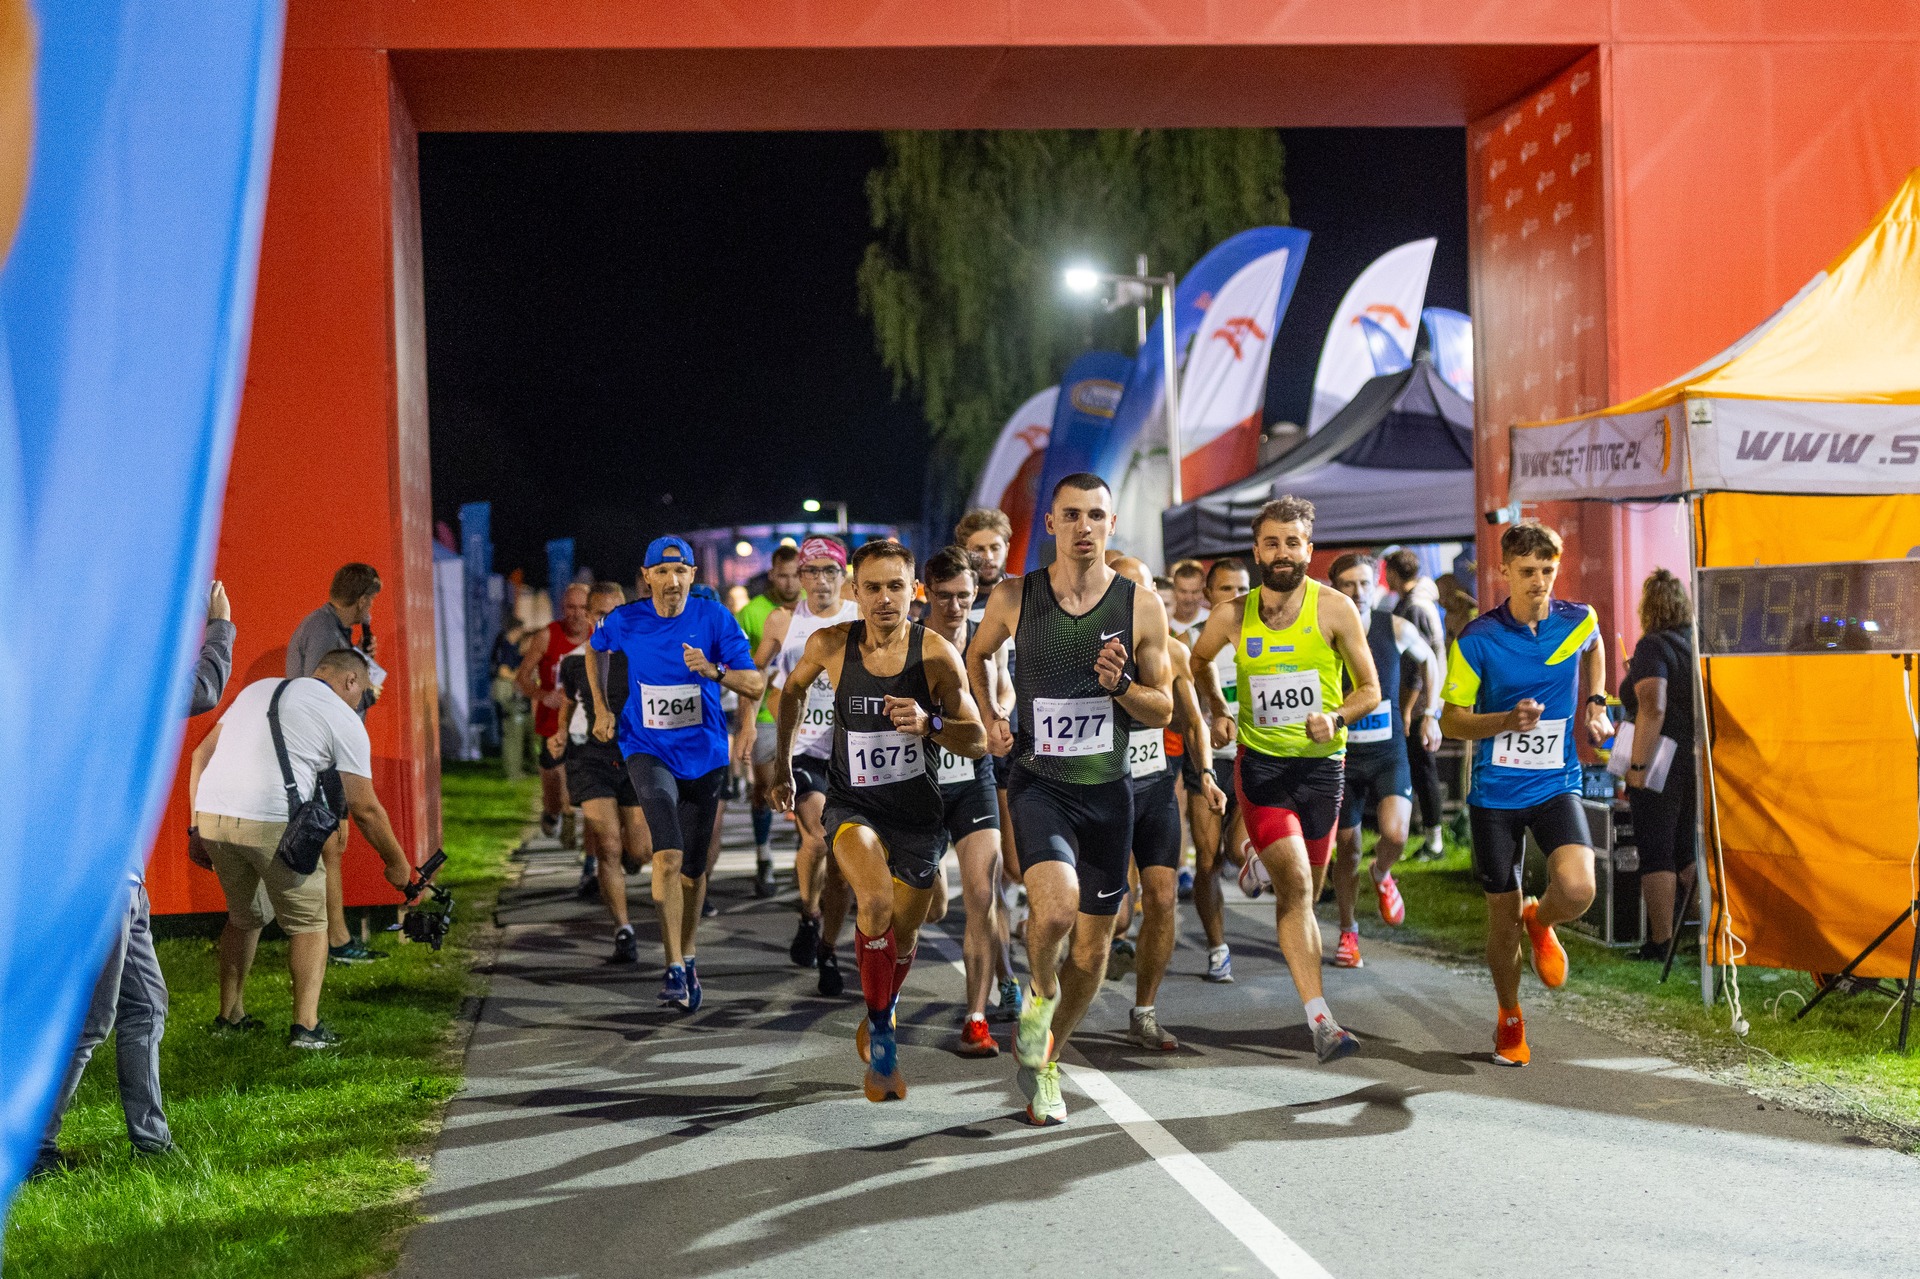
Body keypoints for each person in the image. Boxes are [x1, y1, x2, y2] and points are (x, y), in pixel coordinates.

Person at [968, 473, 1174, 1126]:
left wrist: (1121, 687)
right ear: (1051, 523)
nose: (1085, 526)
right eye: (1072, 514)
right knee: (1055, 911)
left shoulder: (1141, 606)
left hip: (1109, 794)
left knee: (1092, 951)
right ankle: (1038, 993)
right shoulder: (1014, 596)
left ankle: (1049, 1055)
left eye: (1096, 515)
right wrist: (992, 717)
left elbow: (1162, 708)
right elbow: (978, 656)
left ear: (1111, 524)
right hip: (1040, 784)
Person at [31, 583, 237, 1178]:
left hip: (121, 874)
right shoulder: (105, 690)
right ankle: (33, 1145)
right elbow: (202, 689)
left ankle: (151, 1141)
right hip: (101, 879)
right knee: (92, 1020)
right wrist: (220, 625)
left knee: (146, 1004)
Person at [773, 539, 987, 1101]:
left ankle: (883, 1006)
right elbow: (791, 693)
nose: (885, 598)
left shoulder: (935, 653)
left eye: (896, 586)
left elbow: (978, 740)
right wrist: (783, 764)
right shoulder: (830, 644)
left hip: (918, 815)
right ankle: (884, 1038)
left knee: (905, 933)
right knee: (874, 902)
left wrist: (931, 723)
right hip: (853, 804)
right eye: (872, 587)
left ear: (914, 591)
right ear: (855, 592)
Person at [1190, 496, 1378, 1065]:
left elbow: (1370, 690)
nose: (1282, 552)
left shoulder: (1335, 609)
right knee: (1295, 887)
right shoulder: (1233, 614)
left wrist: (1336, 718)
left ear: (1308, 550)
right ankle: (1321, 1021)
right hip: (1264, 766)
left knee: (1308, 894)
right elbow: (1198, 662)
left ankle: (1257, 864)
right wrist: (1218, 709)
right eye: (1271, 542)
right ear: (1257, 550)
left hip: (1323, 769)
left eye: (1292, 543)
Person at [1439, 521, 1609, 1068]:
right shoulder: (1477, 639)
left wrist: (1597, 702)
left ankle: (1543, 921)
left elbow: (1596, 644)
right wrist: (1505, 721)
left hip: (1555, 782)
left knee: (1578, 888)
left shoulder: (1577, 620)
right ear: (1505, 571)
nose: (1539, 581)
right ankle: (1510, 1015)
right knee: (1501, 920)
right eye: (1528, 571)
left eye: (1548, 570)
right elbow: (1451, 722)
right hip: (1495, 795)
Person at [190, 649, 416, 1049]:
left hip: (212, 816)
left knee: (244, 917)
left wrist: (195, 827)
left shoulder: (259, 689)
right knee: (310, 924)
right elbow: (365, 808)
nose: (361, 701)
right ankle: (306, 1028)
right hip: (269, 819)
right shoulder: (343, 716)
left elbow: (200, 754)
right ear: (351, 681)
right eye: (363, 692)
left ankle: (229, 1017)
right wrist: (397, 864)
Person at [586, 536, 762, 1011]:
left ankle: (689, 953)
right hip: (647, 749)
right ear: (646, 577)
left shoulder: (714, 618)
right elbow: (594, 649)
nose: (672, 580)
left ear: (692, 576)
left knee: (694, 870)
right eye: (662, 572)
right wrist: (602, 706)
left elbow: (755, 682)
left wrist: (714, 670)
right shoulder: (625, 619)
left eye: (681, 570)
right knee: (666, 854)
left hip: (704, 754)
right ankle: (673, 967)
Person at [1110, 558, 1226, 1051]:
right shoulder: (1082, 647)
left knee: (1161, 897)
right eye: (1127, 589)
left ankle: (1145, 1012)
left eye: (1145, 589)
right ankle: (1057, 989)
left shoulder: (1173, 650)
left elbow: (1194, 721)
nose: (1139, 599)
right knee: (1114, 914)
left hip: (1154, 787)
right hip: (1100, 791)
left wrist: (1206, 775)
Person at [920, 546, 1021, 1054]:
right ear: (926, 594)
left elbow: (1004, 690)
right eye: (944, 597)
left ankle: (977, 1017)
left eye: (963, 595)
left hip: (973, 777)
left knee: (982, 892)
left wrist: (996, 717)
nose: (955, 606)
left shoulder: (986, 639)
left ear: (975, 591)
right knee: (933, 908)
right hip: (920, 784)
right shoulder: (910, 643)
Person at [755, 537, 859, 996]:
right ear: (800, 577)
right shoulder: (783, 620)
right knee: (819, 838)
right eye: (811, 571)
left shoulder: (859, 616)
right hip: (803, 749)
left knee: (841, 864)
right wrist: (746, 722)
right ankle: (809, 912)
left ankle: (827, 944)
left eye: (829, 571)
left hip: (853, 752)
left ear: (842, 576)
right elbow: (756, 675)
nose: (820, 580)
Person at [1327, 553, 1441, 969]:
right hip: (1342, 756)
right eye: (1348, 584)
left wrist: (1431, 713)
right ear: (1335, 588)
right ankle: (1348, 930)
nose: (1357, 592)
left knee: (1395, 834)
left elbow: (1431, 658)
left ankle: (1381, 873)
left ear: (1376, 584)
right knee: (1347, 849)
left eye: (1364, 583)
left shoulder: (1393, 626)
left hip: (1387, 751)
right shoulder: (1325, 631)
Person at [287, 562, 389, 966]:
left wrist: (361, 662)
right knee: (330, 844)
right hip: (322, 756)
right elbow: (322, 696)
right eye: (372, 601)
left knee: (333, 845)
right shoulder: (324, 633)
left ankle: (335, 937)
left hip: (326, 754)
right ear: (361, 600)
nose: (372, 609)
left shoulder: (333, 631)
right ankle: (334, 940)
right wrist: (364, 689)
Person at [548, 582, 654, 963]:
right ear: (590, 617)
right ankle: (623, 930)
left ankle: (629, 861)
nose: (609, 621)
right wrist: (560, 733)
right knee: (607, 845)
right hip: (590, 758)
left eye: (615, 613)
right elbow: (569, 701)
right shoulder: (575, 660)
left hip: (635, 757)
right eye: (601, 614)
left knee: (640, 850)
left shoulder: (643, 652)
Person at [1621, 568, 1697, 962]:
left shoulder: (1653, 646)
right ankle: (1710, 932)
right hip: (1694, 759)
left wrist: (1637, 766)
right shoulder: (1692, 643)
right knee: (1686, 851)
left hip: (1660, 761)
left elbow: (1653, 706)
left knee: (1656, 849)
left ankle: (1661, 942)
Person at [1187, 555, 1251, 982]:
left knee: (1237, 850)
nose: (1235, 596)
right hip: (1208, 762)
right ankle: (1217, 948)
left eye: (1242, 588)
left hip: (1253, 756)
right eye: (1226, 588)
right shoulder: (1188, 640)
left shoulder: (1264, 634)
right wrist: (1201, 720)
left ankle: (1253, 863)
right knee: (1208, 860)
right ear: (1209, 594)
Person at [737, 545, 802, 897]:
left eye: (796, 575)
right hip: (765, 714)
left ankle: (806, 853)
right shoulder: (751, 613)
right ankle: (764, 854)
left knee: (804, 789)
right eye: (783, 576)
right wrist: (744, 722)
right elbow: (745, 671)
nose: (790, 583)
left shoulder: (813, 606)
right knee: (765, 789)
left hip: (806, 716)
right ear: (772, 575)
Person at [517, 582, 594, 848]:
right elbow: (522, 678)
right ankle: (553, 812)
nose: (576, 614)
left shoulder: (598, 636)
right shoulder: (548, 636)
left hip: (585, 724)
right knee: (553, 787)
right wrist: (542, 695)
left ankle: (576, 828)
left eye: (582, 608)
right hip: (552, 724)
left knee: (577, 782)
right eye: (571, 607)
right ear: (562, 608)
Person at [1385, 549, 1449, 861]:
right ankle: (1406, 834)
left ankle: (1435, 841)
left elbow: (1417, 668)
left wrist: (1413, 711)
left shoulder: (1414, 607)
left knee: (1423, 769)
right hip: (1418, 704)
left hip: (1419, 706)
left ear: (1392, 573)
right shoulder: (1414, 603)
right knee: (1414, 769)